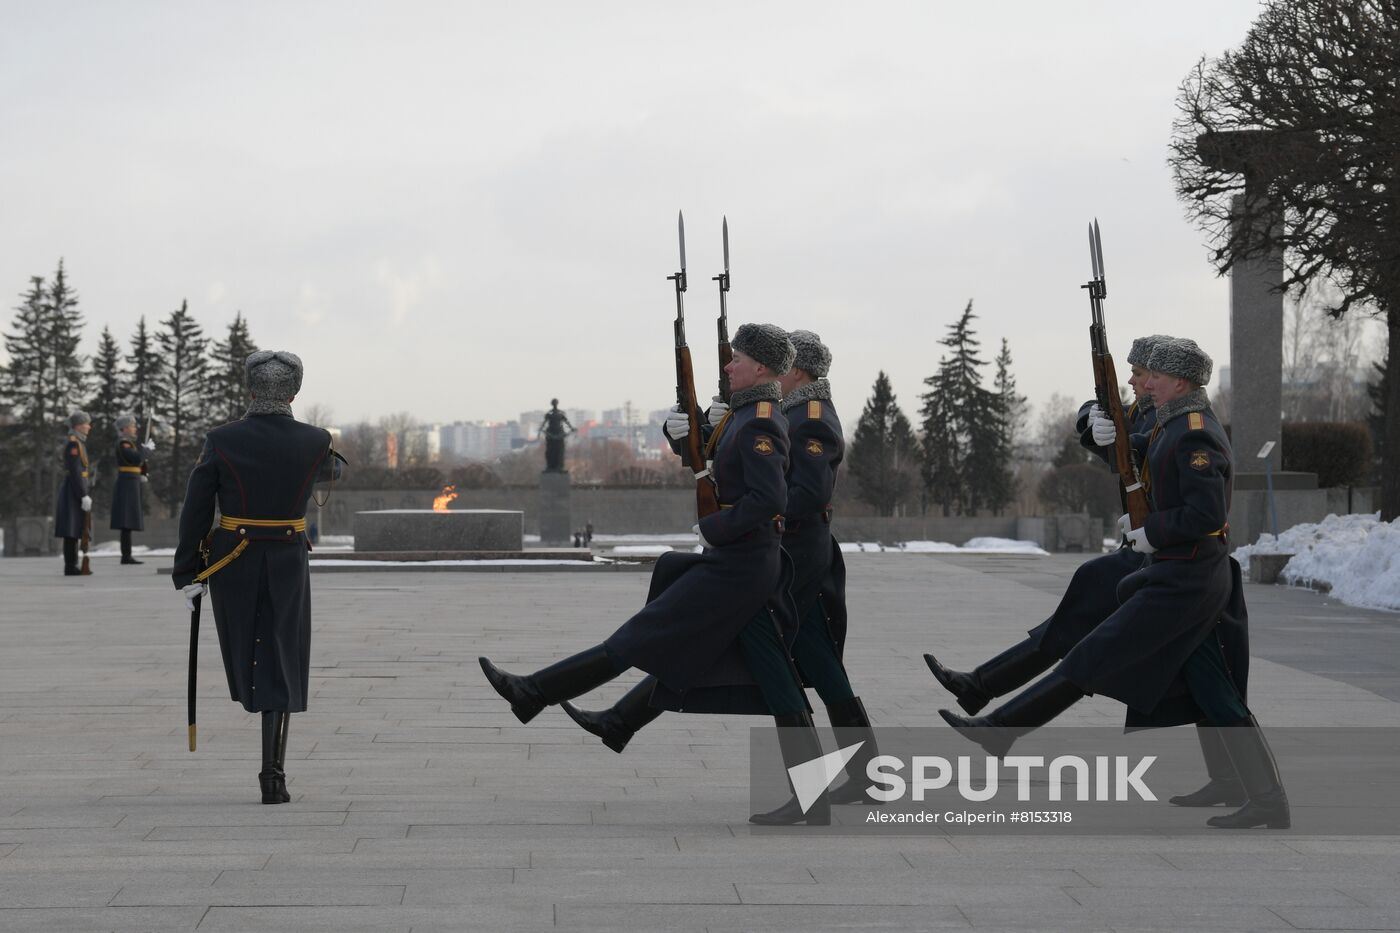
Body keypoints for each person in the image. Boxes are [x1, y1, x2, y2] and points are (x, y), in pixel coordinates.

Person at [480, 324, 833, 825]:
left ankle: (533, 691)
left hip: (739, 567)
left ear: (761, 368)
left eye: (737, 359)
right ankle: (813, 798)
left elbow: (769, 499)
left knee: (641, 637)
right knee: (778, 682)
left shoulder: (760, 421)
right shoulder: (749, 414)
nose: (729, 366)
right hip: (745, 564)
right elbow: (712, 462)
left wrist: (715, 525)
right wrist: (687, 435)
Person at [938, 338, 1285, 830]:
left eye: (1152, 378)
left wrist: (1150, 532)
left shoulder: (1194, 433)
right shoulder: (1170, 426)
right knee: (1215, 690)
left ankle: (1001, 728)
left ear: (1180, 383)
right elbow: (1135, 449)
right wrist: (1096, 430)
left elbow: (1206, 514)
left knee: (1094, 655)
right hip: (1176, 572)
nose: (1141, 384)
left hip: (1185, 576)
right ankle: (1267, 797)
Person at [561, 329, 879, 822]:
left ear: (798, 372)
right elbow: (721, 462)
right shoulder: (778, 411)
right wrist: (689, 434)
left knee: (721, 640)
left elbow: (802, 495)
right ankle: (865, 777)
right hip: (778, 552)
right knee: (814, 662)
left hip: (793, 552)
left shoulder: (810, 418)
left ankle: (622, 720)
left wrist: (749, 517)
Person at [923, 334, 1168, 713]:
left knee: (1086, 639)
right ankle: (984, 692)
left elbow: (1145, 451)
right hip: (1144, 552)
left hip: (1163, 557)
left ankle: (987, 699)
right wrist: (1092, 419)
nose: (1134, 382)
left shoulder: (1175, 419)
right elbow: (1107, 424)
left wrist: (1126, 443)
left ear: (1162, 376)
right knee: (1077, 631)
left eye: (1139, 374)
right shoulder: (1146, 409)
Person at [171, 351, 344, 805]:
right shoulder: (316, 440)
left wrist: (187, 572)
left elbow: (196, 509)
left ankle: (272, 768)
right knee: (283, 656)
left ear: (250, 390)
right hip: (287, 559)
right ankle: (274, 771)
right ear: (294, 391)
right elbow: (333, 471)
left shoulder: (221, 440)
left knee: (249, 652)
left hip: (233, 561)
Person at [110, 413, 156, 565]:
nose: (135, 429)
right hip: (127, 483)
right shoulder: (124, 443)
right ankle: (126, 555)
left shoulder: (130, 443)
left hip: (131, 482)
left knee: (128, 521)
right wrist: (146, 450)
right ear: (124, 428)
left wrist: (142, 472)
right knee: (126, 521)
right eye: (132, 426)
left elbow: (137, 462)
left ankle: (127, 555)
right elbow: (136, 458)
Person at [54, 411, 94, 576]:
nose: (89, 427)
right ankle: (70, 565)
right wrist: (83, 494)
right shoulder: (73, 444)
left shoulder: (79, 442)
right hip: (73, 489)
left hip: (77, 487)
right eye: (86, 423)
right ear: (78, 426)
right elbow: (75, 471)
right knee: (71, 529)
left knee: (76, 527)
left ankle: (73, 564)